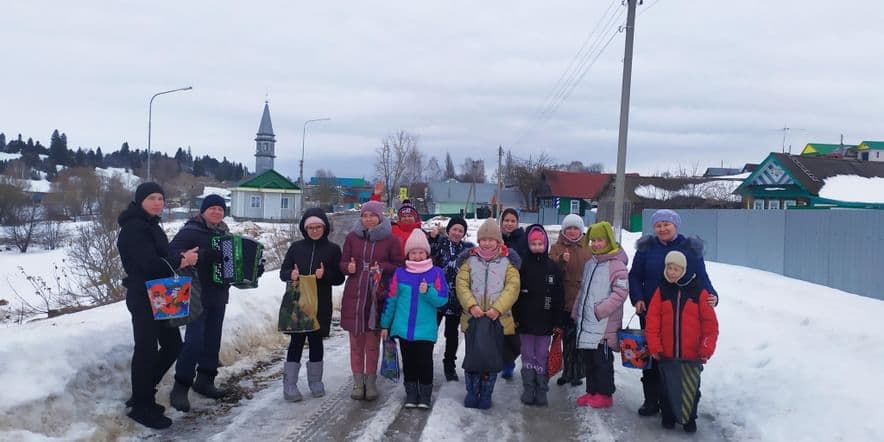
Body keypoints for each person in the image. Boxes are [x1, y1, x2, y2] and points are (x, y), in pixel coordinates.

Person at [168, 194, 262, 412]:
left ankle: (205, 380)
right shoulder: (190, 231)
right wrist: (203, 254)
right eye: (212, 209)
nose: (217, 212)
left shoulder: (225, 234)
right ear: (203, 211)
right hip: (196, 293)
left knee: (212, 340)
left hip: (219, 294)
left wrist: (254, 268)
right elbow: (172, 254)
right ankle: (181, 385)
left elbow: (234, 267)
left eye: (220, 209)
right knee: (194, 341)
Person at [117, 182, 199, 429]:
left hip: (163, 293)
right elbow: (149, 264)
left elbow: (163, 257)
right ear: (140, 200)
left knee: (174, 345)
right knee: (146, 349)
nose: (157, 203)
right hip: (143, 295)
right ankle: (141, 405)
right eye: (152, 198)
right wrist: (182, 259)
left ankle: (142, 393)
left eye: (161, 199)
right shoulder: (134, 228)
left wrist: (180, 257)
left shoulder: (151, 225)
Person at [629, 209, 719, 417]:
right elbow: (634, 276)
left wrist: (712, 295)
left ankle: (678, 403)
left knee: (679, 358)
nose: (662, 228)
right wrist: (638, 298)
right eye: (658, 225)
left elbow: (702, 276)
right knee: (652, 357)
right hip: (651, 312)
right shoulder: (646, 248)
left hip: (682, 312)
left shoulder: (689, 248)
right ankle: (651, 401)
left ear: (675, 225)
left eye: (666, 224)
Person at [645, 251, 719, 433]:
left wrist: (706, 348)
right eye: (669, 268)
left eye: (675, 269)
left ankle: (689, 418)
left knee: (691, 389)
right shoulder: (661, 290)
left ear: (683, 270)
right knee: (666, 387)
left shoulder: (699, 291)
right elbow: (652, 320)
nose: (671, 272)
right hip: (667, 354)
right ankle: (668, 415)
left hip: (691, 355)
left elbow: (711, 325)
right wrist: (654, 346)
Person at [279, 208, 345, 401]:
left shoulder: (333, 249)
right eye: (311, 227)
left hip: (321, 302)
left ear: (325, 228)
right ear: (304, 229)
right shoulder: (296, 247)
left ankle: (315, 381)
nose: (315, 230)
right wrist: (290, 275)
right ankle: (289, 385)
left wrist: (325, 275)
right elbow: (283, 271)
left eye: (318, 227)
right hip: (297, 301)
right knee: (296, 342)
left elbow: (340, 278)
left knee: (316, 341)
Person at [340, 199, 403, 401]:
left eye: (372, 215)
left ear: (380, 217)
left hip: (378, 296)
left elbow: (399, 266)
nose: (368, 219)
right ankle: (358, 384)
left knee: (372, 343)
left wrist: (382, 268)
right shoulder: (352, 237)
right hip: (355, 296)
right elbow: (342, 263)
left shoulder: (391, 240)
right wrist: (346, 268)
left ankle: (371, 383)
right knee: (355, 343)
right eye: (365, 215)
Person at [380, 230, 449, 409]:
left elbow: (442, 300)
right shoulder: (400, 274)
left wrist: (428, 291)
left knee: (425, 363)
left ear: (426, 253)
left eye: (420, 252)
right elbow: (391, 300)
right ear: (408, 254)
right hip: (403, 329)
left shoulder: (436, 273)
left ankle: (425, 395)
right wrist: (385, 324)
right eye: (413, 252)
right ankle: (411, 394)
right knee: (409, 363)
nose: (417, 256)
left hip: (425, 330)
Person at [456, 218, 520, 409]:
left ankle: (486, 393)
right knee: (473, 359)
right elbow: (461, 284)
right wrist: (471, 306)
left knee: (490, 361)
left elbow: (513, 287)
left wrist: (497, 308)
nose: (487, 243)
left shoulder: (507, 262)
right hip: (472, 319)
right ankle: (472, 392)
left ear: (498, 241)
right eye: (483, 239)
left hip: (497, 320)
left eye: (491, 239)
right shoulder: (469, 260)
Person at [572, 222, 628, 409]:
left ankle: (605, 395)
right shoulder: (591, 263)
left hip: (604, 325)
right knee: (590, 360)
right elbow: (583, 290)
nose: (596, 244)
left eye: (600, 240)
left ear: (609, 240)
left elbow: (620, 293)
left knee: (602, 362)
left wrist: (600, 310)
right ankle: (592, 391)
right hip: (588, 323)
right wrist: (576, 311)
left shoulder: (617, 265)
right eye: (593, 240)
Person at [512, 225, 563, 406]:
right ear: (528, 245)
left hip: (545, 322)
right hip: (525, 322)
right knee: (527, 354)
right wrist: (516, 317)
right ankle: (528, 387)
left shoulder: (553, 268)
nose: (537, 246)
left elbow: (558, 297)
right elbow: (515, 294)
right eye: (533, 243)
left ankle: (541, 389)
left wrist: (558, 321)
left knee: (541, 354)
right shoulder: (522, 266)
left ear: (546, 244)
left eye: (540, 243)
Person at [429, 216, 475, 381]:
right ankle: (425, 361)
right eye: (454, 229)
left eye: (460, 230)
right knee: (430, 331)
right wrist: (432, 237)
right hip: (437, 297)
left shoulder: (467, 249)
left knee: (452, 335)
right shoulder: (440, 244)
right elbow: (428, 252)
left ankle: (450, 366)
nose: (457, 233)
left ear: (464, 233)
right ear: (448, 230)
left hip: (456, 300)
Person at [550, 214, 592, 387]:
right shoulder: (556, 247)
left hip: (583, 302)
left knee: (580, 340)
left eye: (576, 228)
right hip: (564, 302)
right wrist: (561, 261)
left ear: (581, 230)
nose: (573, 231)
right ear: (564, 230)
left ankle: (578, 373)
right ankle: (567, 372)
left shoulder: (589, 249)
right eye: (569, 228)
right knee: (566, 339)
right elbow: (550, 272)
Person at [498, 208, 526, 379]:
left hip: (518, 291)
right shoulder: (496, 238)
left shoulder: (523, 240)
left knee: (515, 331)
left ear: (517, 223)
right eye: (506, 220)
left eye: (512, 221)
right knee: (500, 329)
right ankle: (504, 362)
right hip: (497, 291)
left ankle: (510, 360)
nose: (509, 224)